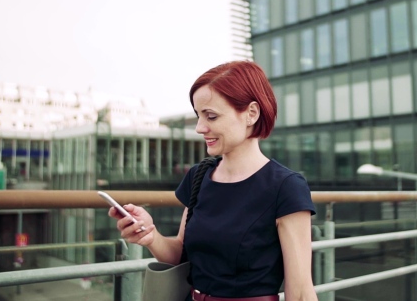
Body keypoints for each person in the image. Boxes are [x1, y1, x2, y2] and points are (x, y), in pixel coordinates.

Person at [108, 60, 318, 301]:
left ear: (251, 113)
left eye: (211, 116)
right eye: (199, 116)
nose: (199, 127)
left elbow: (301, 292)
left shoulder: (286, 187)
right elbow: (181, 254)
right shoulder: (198, 176)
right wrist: (151, 235)